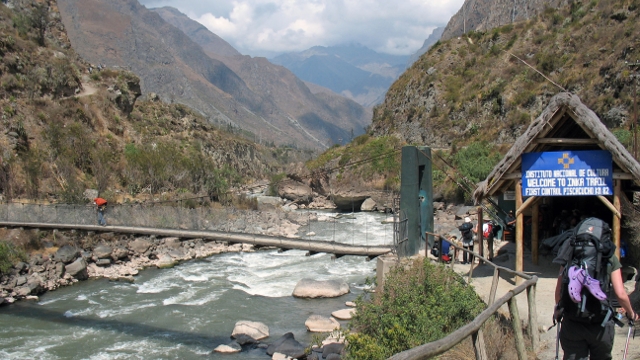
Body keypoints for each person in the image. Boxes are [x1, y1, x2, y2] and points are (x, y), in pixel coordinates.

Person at [554, 250, 639, 359]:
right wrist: (631, 313)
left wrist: (558, 310)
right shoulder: (609, 257)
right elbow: (620, 294)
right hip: (601, 325)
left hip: (572, 323)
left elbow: (559, 292)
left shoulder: (570, 255)